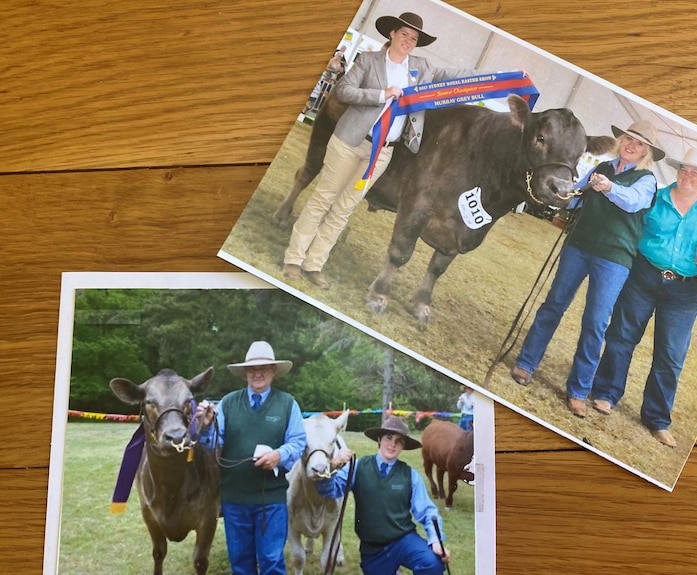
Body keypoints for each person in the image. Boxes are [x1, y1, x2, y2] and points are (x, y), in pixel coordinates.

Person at [282, 11, 484, 289]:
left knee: (344, 208)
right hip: (350, 142)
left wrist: (499, 76)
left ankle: (315, 264)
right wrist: (381, 95)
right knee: (323, 199)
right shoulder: (368, 61)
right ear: (392, 34)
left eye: (414, 38)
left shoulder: (421, 69)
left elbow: (458, 76)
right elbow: (345, 91)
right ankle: (294, 259)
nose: (409, 41)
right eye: (404, 35)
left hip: (382, 153)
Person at [590, 147, 697, 448]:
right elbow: (631, 229)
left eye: (695, 173)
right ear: (677, 172)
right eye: (684, 169)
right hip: (644, 274)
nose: (688, 175)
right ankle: (606, 394)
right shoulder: (655, 197)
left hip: (687, 290)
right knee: (622, 335)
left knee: (671, 355)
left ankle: (657, 419)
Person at [510, 120, 665, 419]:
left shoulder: (647, 181)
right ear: (621, 140)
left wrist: (608, 188)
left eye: (640, 143)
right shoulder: (601, 168)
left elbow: (632, 203)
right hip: (579, 245)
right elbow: (573, 198)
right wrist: (560, 192)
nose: (631, 144)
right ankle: (526, 364)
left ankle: (579, 390)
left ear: (648, 152)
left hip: (614, 258)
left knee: (595, 323)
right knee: (553, 304)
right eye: (629, 138)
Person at [195, 341, 307, 575]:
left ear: (273, 371)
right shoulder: (228, 403)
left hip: (271, 499)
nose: (258, 373)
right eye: (252, 369)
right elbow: (213, 443)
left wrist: (278, 455)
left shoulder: (288, 404)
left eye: (264, 368)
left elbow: (298, 442)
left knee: (271, 561)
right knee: (240, 562)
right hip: (234, 499)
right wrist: (205, 427)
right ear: (245, 372)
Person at [316, 416, 451, 575]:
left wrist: (436, 540)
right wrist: (331, 466)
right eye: (388, 438)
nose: (392, 444)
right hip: (373, 548)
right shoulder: (358, 467)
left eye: (399, 440)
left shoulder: (410, 475)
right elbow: (328, 490)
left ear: (403, 446)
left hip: (404, 540)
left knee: (432, 563)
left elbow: (428, 511)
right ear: (379, 439)